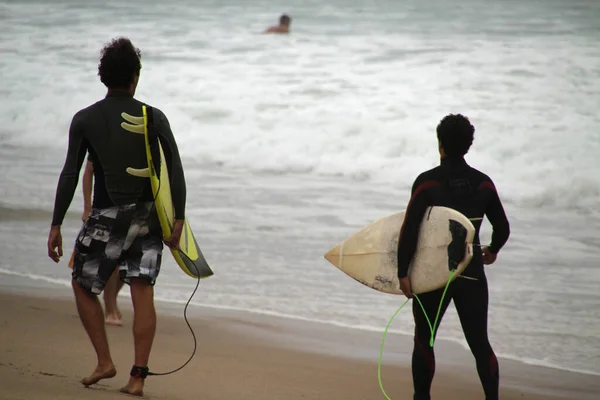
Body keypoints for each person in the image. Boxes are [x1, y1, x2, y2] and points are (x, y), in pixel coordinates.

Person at [47, 37, 187, 396]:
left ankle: (104, 361)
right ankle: (137, 377)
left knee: (81, 282)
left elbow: (70, 173)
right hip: (149, 218)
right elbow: (174, 168)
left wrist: (57, 223)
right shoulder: (153, 116)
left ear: (102, 77)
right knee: (143, 290)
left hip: (108, 216)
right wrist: (179, 220)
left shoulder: (85, 119)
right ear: (135, 77)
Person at [396, 114, 510, 400]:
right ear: (468, 146)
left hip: (433, 274)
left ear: (440, 145)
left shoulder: (427, 183)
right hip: (471, 271)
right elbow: (503, 227)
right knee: (479, 343)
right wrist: (492, 250)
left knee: (425, 337)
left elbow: (409, 230)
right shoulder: (483, 183)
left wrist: (402, 271)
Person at [82, 157, 125, 326]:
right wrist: (87, 207)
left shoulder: (138, 138)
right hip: (106, 209)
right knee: (112, 260)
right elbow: (89, 170)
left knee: (128, 263)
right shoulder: (103, 137)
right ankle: (110, 309)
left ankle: (111, 299)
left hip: (135, 208)